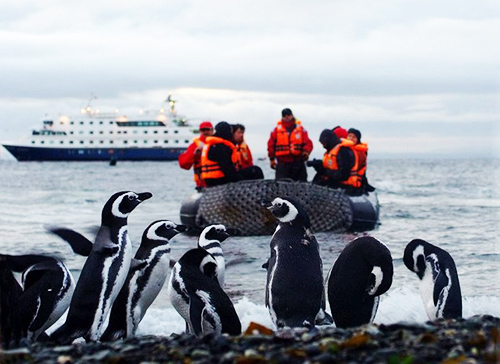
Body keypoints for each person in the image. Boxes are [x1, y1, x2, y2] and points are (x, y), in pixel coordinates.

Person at [267, 108, 313, 182]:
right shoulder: (276, 131)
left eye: (288, 115)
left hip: (298, 162)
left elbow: (308, 143)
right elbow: (271, 145)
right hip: (283, 163)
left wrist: (306, 152)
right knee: (281, 185)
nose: (286, 117)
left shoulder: (301, 130)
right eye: (284, 115)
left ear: (292, 115)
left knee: (301, 184)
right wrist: (272, 159)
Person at [200, 121, 242, 187]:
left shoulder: (211, 144)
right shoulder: (220, 147)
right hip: (219, 180)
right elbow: (228, 170)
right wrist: (239, 180)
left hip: (209, 180)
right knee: (256, 171)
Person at [178, 121, 214, 191]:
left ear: (212, 130)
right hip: (202, 184)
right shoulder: (195, 146)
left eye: (208, 129)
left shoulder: (217, 143)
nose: (206, 132)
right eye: (203, 130)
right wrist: (194, 154)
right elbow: (183, 164)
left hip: (218, 182)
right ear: (200, 131)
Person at [346, 128, 374, 193]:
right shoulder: (344, 149)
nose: (351, 138)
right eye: (349, 136)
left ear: (358, 139)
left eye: (354, 137)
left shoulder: (360, 152)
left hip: (355, 180)